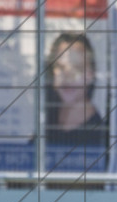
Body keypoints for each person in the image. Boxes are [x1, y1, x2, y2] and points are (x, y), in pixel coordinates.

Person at [45, 32, 108, 170]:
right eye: (61, 67)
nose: (68, 76)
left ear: (91, 75)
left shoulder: (101, 136)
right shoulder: (46, 126)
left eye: (77, 68)